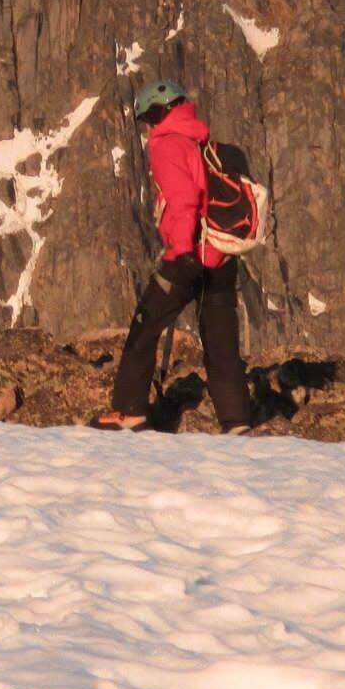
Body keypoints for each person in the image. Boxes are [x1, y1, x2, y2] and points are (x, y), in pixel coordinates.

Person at [93, 79, 253, 433]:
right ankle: (237, 421)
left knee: (145, 326)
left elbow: (182, 200)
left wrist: (181, 253)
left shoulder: (168, 144)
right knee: (220, 339)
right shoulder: (200, 139)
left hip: (190, 254)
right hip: (222, 254)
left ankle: (129, 411)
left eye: (148, 120)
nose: (148, 129)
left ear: (158, 114)